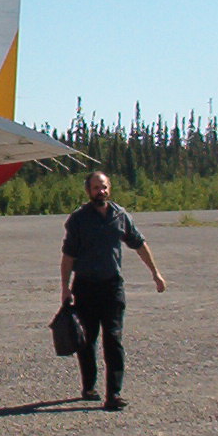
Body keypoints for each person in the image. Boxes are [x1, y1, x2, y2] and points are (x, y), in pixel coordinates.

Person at [58, 171, 166, 411]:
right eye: (96, 188)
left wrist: (155, 273)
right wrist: (65, 288)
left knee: (113, 339)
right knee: (87, 340)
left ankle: (114, 394)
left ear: (110, 188)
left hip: (112, 287)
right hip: (85, 287)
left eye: (104, 187)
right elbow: (68, 256)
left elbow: (139, 244)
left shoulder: (120, 215)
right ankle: (89, 386)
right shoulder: (78, 219)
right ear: (89, 191)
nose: (101, 192)